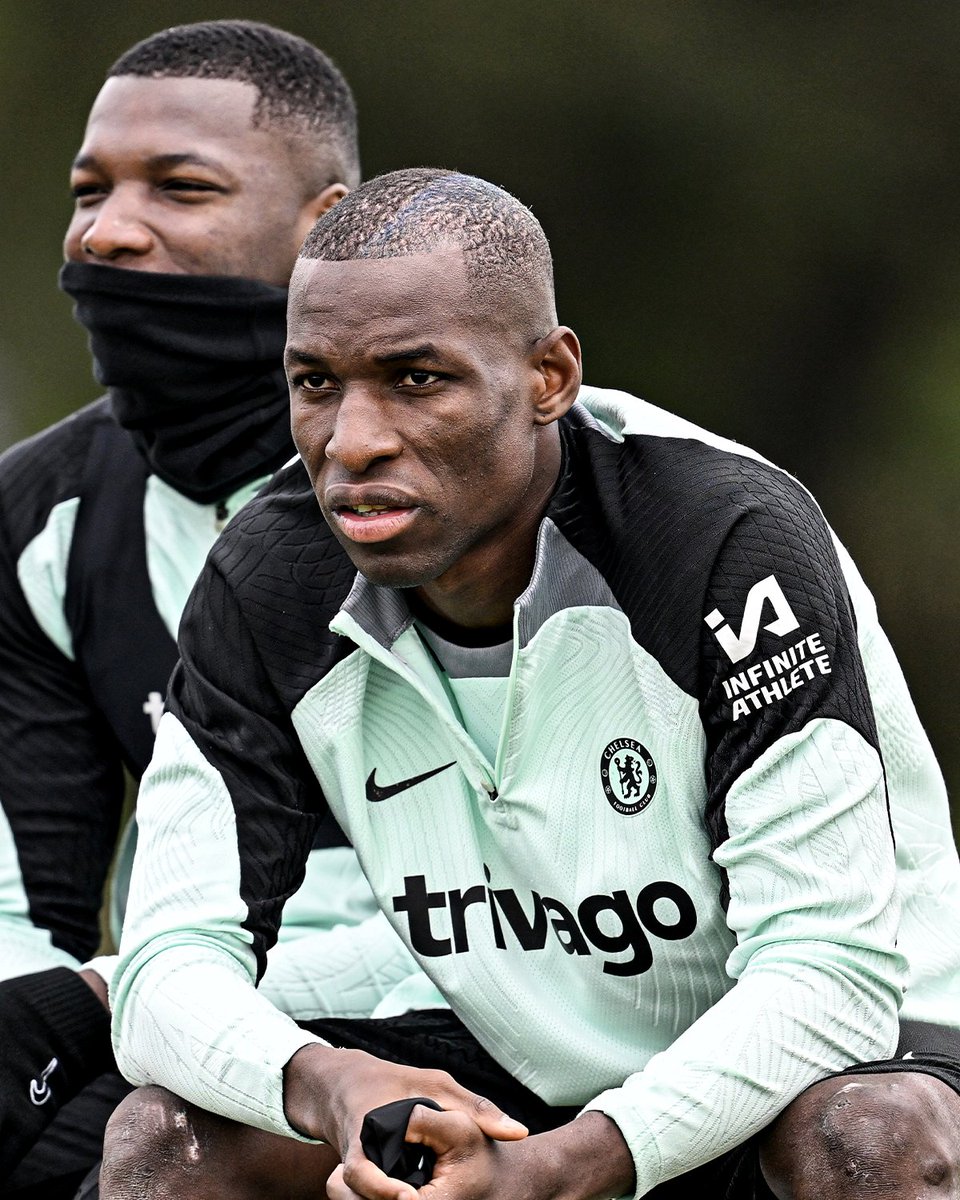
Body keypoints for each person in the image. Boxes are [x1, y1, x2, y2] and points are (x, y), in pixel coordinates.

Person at [102, 168, 960, 1200]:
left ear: (550, 376)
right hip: (533, 1076)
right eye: (316, 382)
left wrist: (556, 1173)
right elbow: (163, 969)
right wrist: (326, 1083)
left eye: (417, 379)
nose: (353, 441)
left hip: (841, 1056)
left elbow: (829, 974)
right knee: (166, 1138)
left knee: (868, 1134)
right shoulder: (268, 581)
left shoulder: (725, 538)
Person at [0, 24, 427, 1199]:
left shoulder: (496, 492)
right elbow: (29, 910)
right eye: (90, 191)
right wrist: (90, 1004)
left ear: (323, 226)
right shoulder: (43, 515)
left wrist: (115, 995)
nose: (108, 230)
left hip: (504, 1021)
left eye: (180, 188)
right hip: (180, 1020)